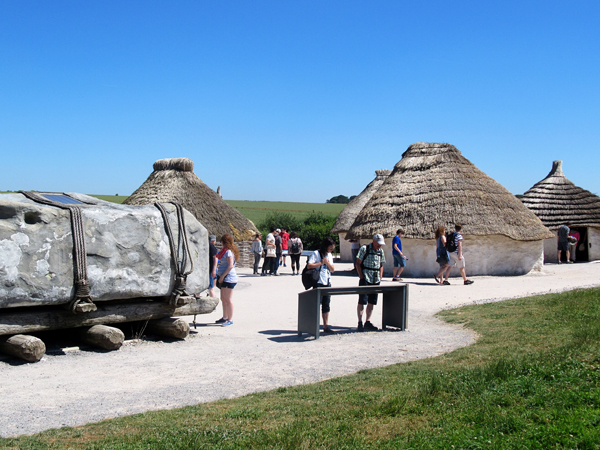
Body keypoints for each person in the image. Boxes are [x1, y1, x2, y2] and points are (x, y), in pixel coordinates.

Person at [355, 234, 386, 331]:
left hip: (375, 279)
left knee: (372, 301)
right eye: (378, 243)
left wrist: (380, 276)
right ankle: (359, 322)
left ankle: (367, 321)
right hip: (366, 278)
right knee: (362, 300)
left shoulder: (380, 251)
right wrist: (361, 276)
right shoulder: (364, 249)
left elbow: (381, 265)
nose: (380, 245)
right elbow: (358, 263)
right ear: (374, 241)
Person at [307, 237, 336, 333]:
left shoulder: (330, 256)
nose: (332, 250)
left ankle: (325, 326)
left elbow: (332, 269)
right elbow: (309, 265)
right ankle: (313, 326)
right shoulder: (316, 253)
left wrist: (327, 263)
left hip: (327, 281)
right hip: (318, 282)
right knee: (315, 305)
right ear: (326, 246)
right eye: (331, 248)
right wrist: (320, 263)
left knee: (326, 305)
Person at [215, 234, 239, 327]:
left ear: (223, 242)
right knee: (223, 298)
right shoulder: (226, 251)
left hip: (229, 278)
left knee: (228, 299)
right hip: (225, 277)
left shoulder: (228, 252)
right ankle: (225, 317)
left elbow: (230, 266)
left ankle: (230, 319)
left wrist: (222, 276)